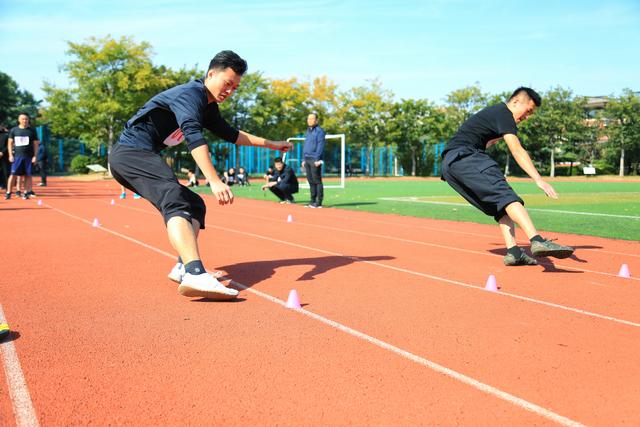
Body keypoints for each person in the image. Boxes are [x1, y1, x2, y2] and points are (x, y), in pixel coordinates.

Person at [108, 50, 292, 300]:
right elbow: (193, 136)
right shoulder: (190, 94)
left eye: (235, 88)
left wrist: (271, 144)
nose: (229, 91)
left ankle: (183, 266)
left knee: (194, 204)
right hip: (131, 154)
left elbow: (231, 134)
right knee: (175, 197)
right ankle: (195, 272)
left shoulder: (208, 106)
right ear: (211, 74)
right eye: (227, 83)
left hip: (137, 155)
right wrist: (214, 180)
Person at [441, 87, 574, 266]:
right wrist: (538, 179)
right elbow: (517, 150)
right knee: (507, 196)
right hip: (466, 157)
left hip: (450, 167)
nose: (527, 117)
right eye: (528, 111)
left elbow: (482, 138)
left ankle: (514, 252)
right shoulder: (504, 113)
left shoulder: (494, 114)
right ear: (516, 102)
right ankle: (537, 240)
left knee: (500, 206)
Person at [5, 113, 39, 200]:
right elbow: (9, 143)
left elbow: (35, 144)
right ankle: (8, 192)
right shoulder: (14, 130)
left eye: (26, 119)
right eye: (23, 119)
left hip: (28, 156)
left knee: (28, 175)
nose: (25, 121)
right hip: (17, 157)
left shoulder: (32, 131)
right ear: (19, 120)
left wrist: (35, 156)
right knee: (13, 174)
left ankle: (26, 192)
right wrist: (10, 155)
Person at [302, 112, 326, 208]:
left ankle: (318, 202)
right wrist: (303, 159)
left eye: (312, 119)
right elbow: (306, 145)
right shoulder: (308, 131)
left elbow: (320, 146)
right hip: (307, 158)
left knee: (317, 181)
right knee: (310, 181)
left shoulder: (320, 131)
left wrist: (317, 159)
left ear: (316, 120)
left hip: (314, 159)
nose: (309, 120)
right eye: (308, 118)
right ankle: (312, 200)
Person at [0, 125, 9, 190]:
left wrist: (2, 152)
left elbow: (8, 145)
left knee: (5, 171)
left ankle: (6, 186)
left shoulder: (6, 135)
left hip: (4, 156)